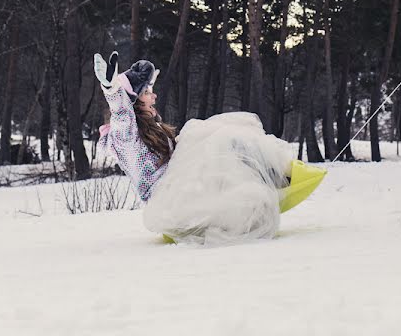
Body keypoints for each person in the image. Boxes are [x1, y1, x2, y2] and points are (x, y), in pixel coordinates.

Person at [94, 51, 303, 245]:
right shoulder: (125, 138)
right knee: (215, 139)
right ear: (133, 102)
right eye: (147, 93)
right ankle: (275, 180)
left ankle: (271, 175)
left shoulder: (152, 130)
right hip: (169, 199)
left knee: (215, 135)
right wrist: (112, 91)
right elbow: (122, 115)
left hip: (180, 184)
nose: (154, 96)